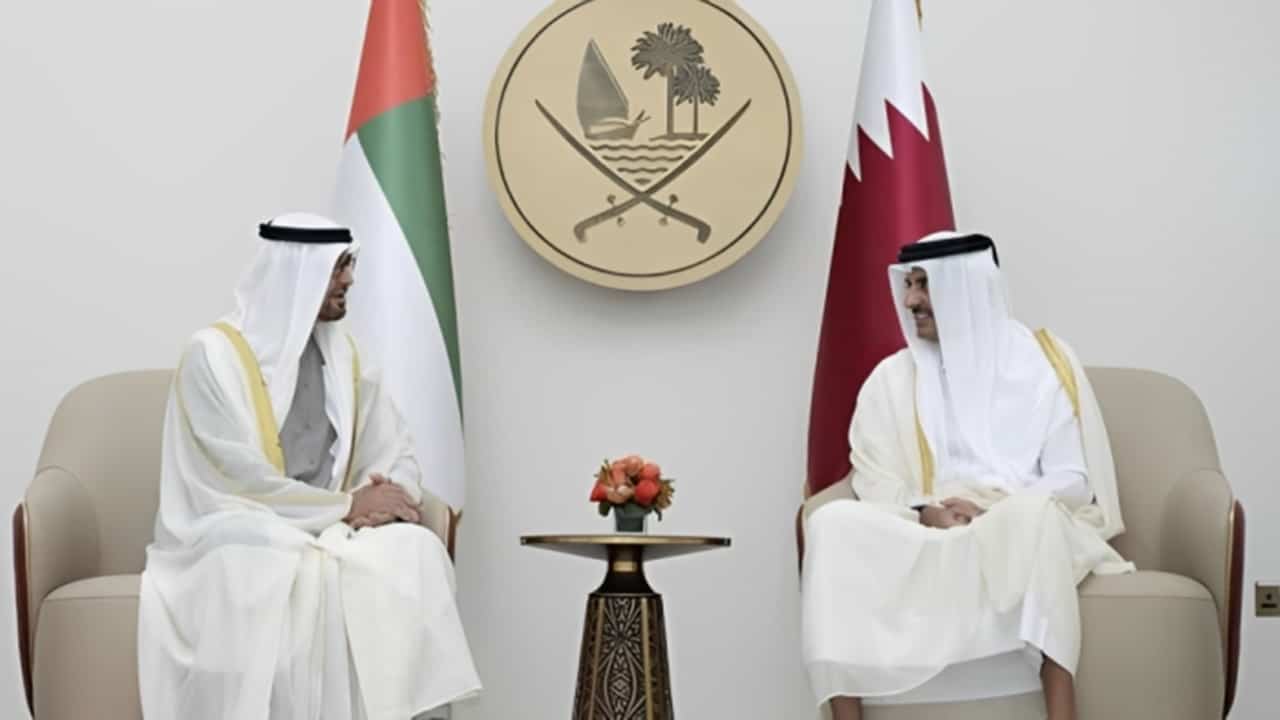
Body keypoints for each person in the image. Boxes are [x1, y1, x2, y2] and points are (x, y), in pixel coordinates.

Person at [138, 213, 481, 720]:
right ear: (295, 272)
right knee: (261, 554)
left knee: (416, 549)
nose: (350, 279)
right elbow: (234, 478)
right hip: (235, 523)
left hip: (332, 526)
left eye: (350, 264)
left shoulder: (345, 355)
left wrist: (387, 496)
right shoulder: (212, 356)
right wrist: (346, 506)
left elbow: (396, 448)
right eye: (338, 266)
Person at [800, 231, 1133, 720]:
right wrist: (925, 511)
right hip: (925, 524)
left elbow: (1072, 479)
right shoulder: (892, 378)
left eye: (923, 284)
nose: (910, 301)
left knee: (1036, 518)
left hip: (1015, 519)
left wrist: (996, 509)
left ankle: (1062, 709)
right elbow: (875, 477)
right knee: (831, 523)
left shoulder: (1043, 363)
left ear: (965, 287)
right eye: (908, 284)